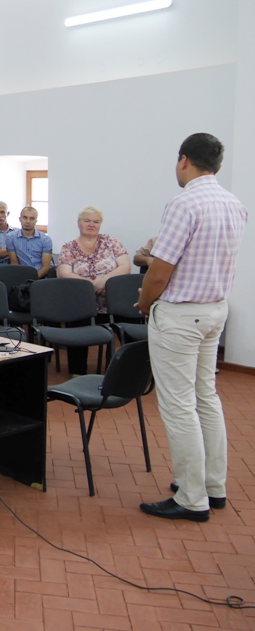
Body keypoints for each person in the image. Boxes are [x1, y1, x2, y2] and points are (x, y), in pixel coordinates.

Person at [135, 133, 247, 522]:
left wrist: (144, 302)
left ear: (184, 160)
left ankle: (191, 498)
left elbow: (159, 271)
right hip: (215, 310)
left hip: (181, 316)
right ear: (216, 164)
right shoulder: (234, 203)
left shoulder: (184, 204)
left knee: (179, 406)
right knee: (206, 399)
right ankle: (212, 486)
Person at [56, 206, 130, 374]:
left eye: (96, 221)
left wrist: (104, 281)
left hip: (111, 300)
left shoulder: (111, 242)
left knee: (132, 317)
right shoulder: (69, 247)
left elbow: (125, 266)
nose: (91, 224)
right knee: (77, 320)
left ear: (100, 225)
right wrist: (91, 285)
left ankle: (125, 370)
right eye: (87, 220)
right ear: (78, 223)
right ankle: (77, 371)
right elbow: (63, 273)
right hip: (81, 302)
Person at [7, 206, 53, 278]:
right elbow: (14, 263)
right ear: (20, 219)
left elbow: (46, 267)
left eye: (32, 219)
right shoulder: (11, 238)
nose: (28, 221)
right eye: (25, 218)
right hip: (22, 275)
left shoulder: (45, 240)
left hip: (42, 276)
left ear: (36, 221)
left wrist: (31, 280)